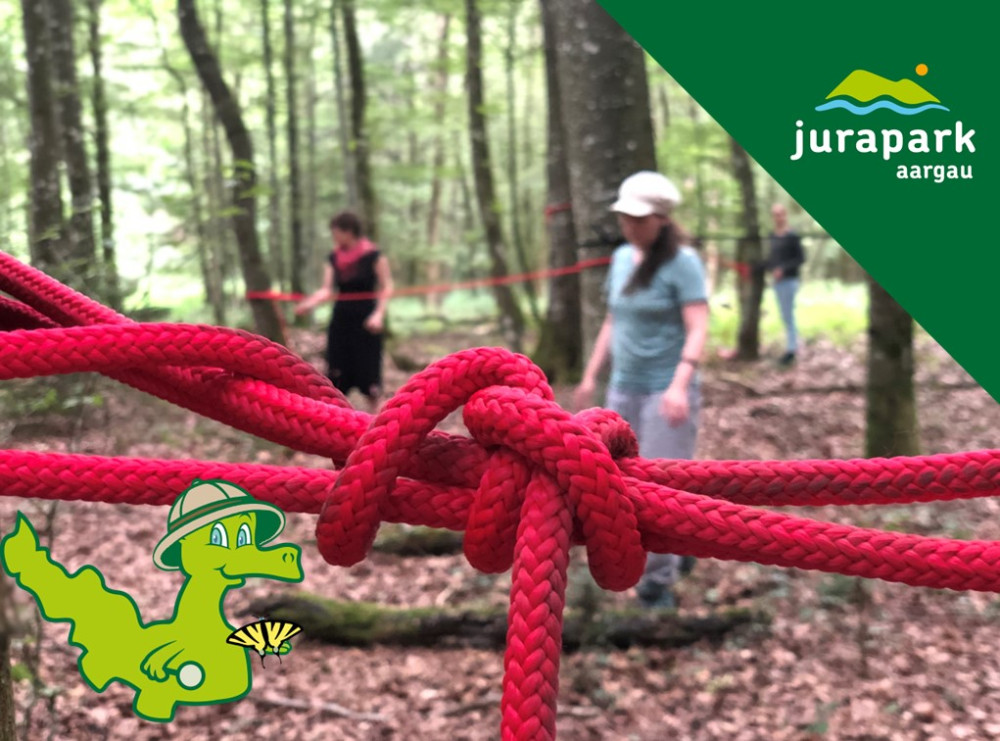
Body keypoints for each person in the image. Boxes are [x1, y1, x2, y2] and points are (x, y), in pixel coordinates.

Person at [573, 170, 709, 609]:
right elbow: (613, 321)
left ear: (661, 220)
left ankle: (658, 584)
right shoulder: (619, 259)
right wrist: (591, 375)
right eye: (625, 218)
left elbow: (699, 326)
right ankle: (677, 548)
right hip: (623, 385)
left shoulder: (682, 263)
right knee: (618, 479)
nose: (629, 226)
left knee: (661, 485)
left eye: (639, 219)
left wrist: (679, 385)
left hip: (665, 388)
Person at [296, 211, 393, 411]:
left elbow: (387, 286)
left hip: (367, 321)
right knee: (336, 375)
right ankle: (336, 421)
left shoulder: (373, 255)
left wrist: (379, 314)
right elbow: (326, 289)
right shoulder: (333, 258)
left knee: (370, 377)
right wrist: (309, 303)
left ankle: (378, 423)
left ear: (349, 232)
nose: (334, 237)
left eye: (336, 232)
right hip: (341, 321)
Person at [766, 203, 805, 366]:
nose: (778, 217)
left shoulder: (792, 236)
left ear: (785, 215)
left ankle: (791, 351)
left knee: (789, 315)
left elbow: (801, 258)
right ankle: (795, 345)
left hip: (790, 281)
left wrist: (783, 269)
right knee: (785, 315)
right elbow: (771, 259)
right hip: (778, 283)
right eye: (775, 214)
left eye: (781, 214)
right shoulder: (772, 236)